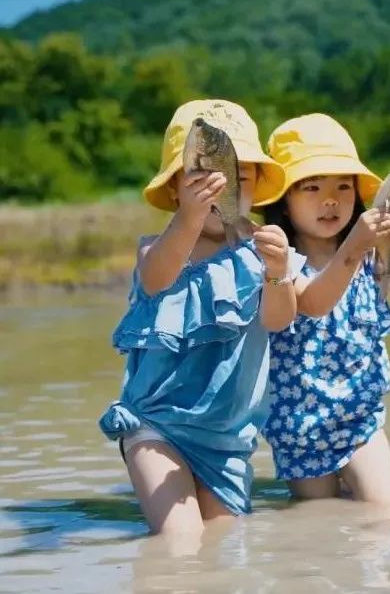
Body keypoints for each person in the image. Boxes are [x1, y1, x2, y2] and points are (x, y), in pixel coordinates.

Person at [98, 99, 306, 535]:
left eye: (236, 177)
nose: (217, 188)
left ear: (255, 187)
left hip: (228, 439)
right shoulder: (159, 248)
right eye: (201, 177)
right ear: (176, 187)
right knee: (181, 539)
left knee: (223, 547)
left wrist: (276, 273)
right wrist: (189, 219)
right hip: (157, 425)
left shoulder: (266, 250)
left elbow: (278, 319)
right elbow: (156, 279)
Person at [261, 113, 390, 507]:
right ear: (284, 204)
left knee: (383, 511)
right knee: (318, 521)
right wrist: (354, 245)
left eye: (343, 186)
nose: (331, 200)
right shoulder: (281, 263)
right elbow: (312, 303)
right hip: (299, 426)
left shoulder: (373, 258)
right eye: (311, 187)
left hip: (360, 419)